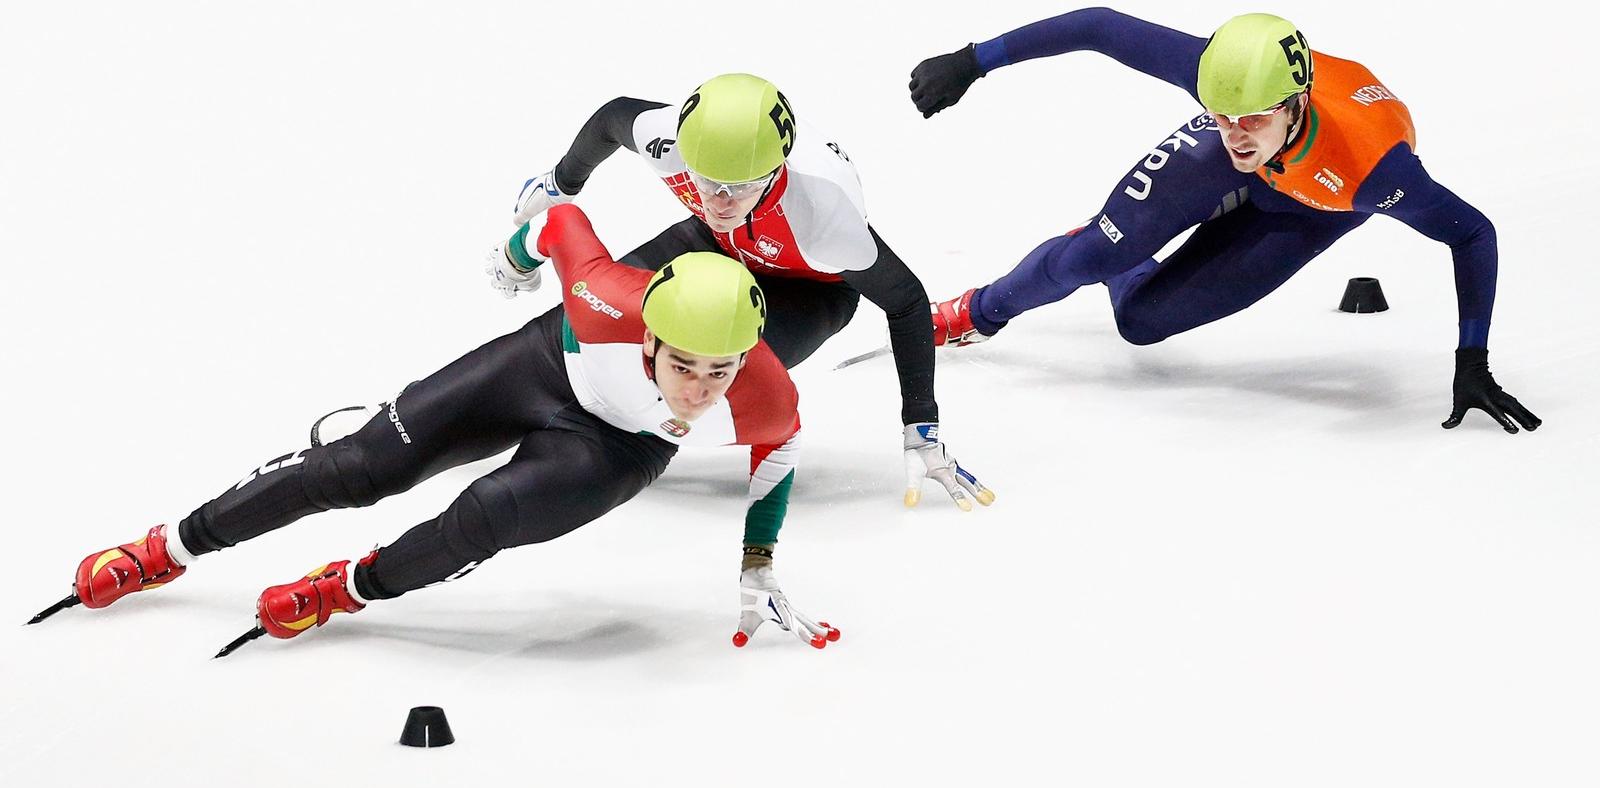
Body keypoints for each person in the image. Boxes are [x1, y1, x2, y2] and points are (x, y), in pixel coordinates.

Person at [35, 205, 841, 652]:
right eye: (683, 367)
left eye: (720, 372)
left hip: (615, 447)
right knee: (353, 469)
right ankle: (168, 548)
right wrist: (514, 255)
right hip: (539, 365)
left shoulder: (761, 388)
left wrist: (759, 566)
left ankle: (346, 588)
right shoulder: (602, 295)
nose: (702, 390)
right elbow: (560, 220)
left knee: (483, 516)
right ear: (649, 337)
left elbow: (781, 452)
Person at [909, 9, 1539, 434]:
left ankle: (1126, 255)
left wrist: (1472, 359)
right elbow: (1100, 26)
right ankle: (978, 311)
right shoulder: (1229, 89)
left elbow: (1472, 231)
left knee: (1140, 322)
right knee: (1090, 257)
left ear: (1293, 106)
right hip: (1254, 167)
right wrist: (974, 60)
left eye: (1253, 120)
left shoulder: (1375, 170)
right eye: (1220, 112)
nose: (1236, 133)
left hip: (1317, 202)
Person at [491, 72, 996, 508]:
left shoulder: (824, 218)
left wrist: (920, 425)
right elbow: (612, 117)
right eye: (706, 181)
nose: (720, 199)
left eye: (742, 186)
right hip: (719, 243)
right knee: (599, 314)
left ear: (777, 171)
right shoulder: (669, 140)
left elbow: (906, 301)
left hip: (810, 289)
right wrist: (561, 182)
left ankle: (597, 448)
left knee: (704, 371)